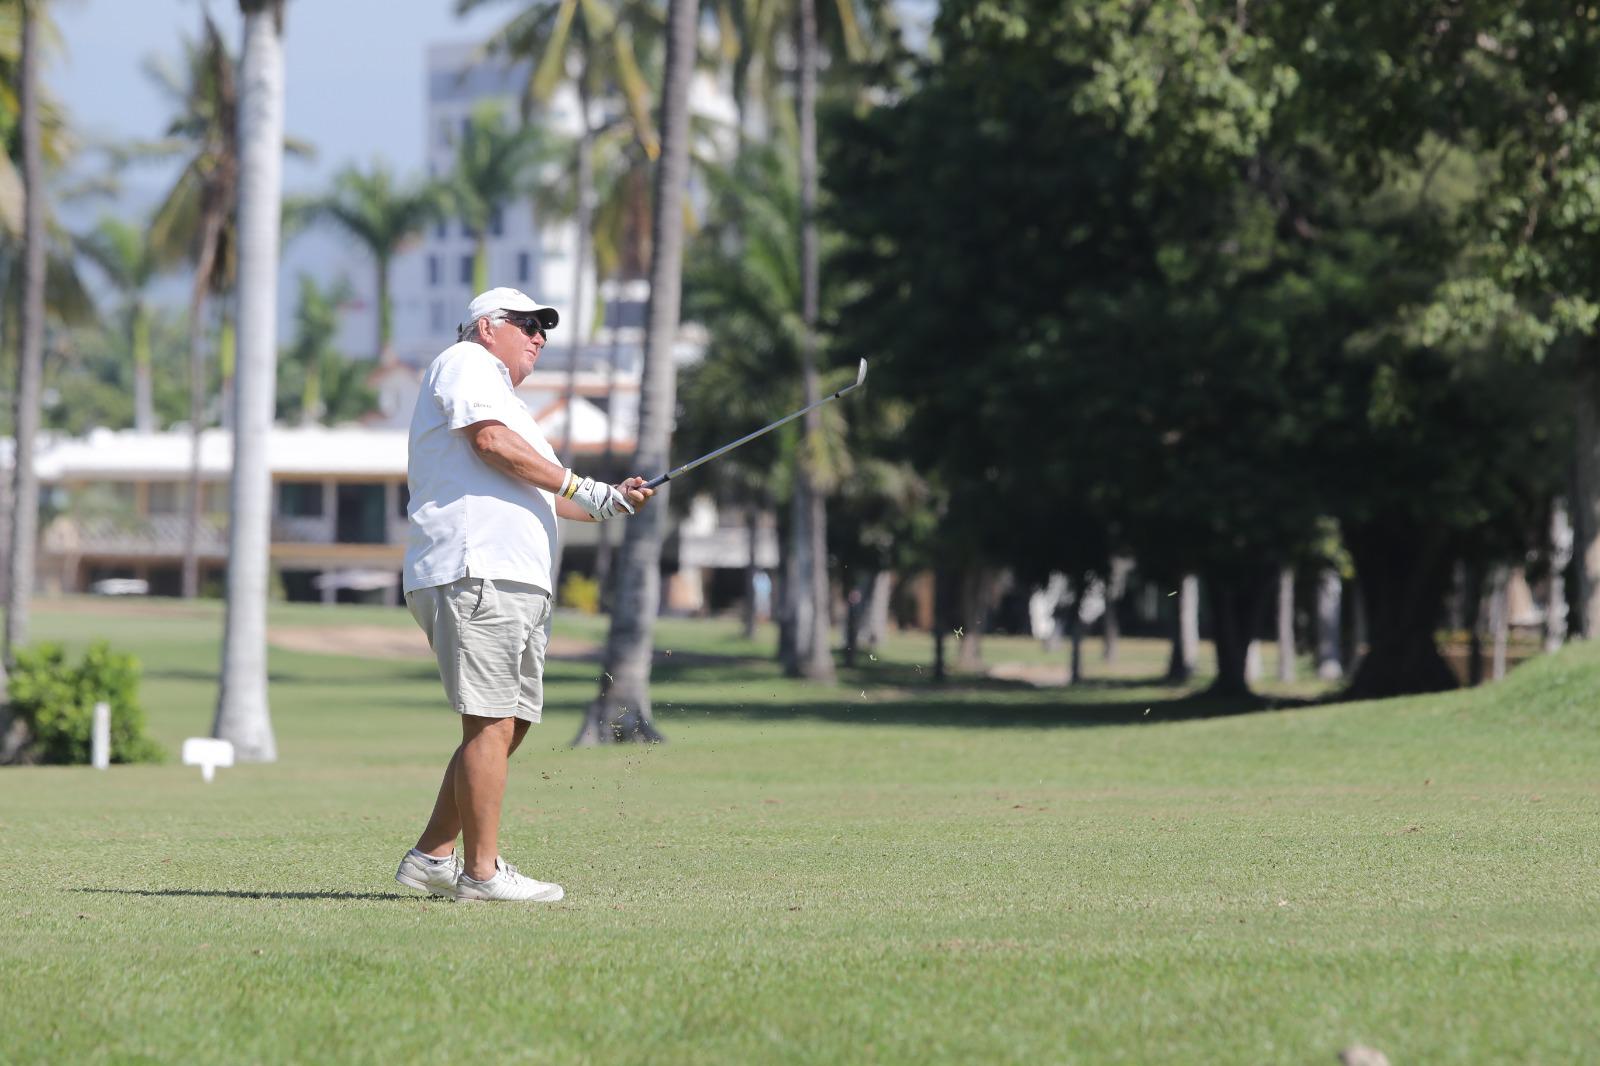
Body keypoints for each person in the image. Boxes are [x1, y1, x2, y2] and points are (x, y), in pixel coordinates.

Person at [393, 287, 653, 903]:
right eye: (529, 323)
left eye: (545, 328)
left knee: (507, 724)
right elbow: (489, 443)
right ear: (487, 327)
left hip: (510, 578)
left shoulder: (508, 402)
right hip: (476, 567)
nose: (539, 336)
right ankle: (480, 875)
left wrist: (607, 500)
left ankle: (432, 854)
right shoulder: (466, 364)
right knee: (488, 722)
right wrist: (579, 483)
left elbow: (554, 495)